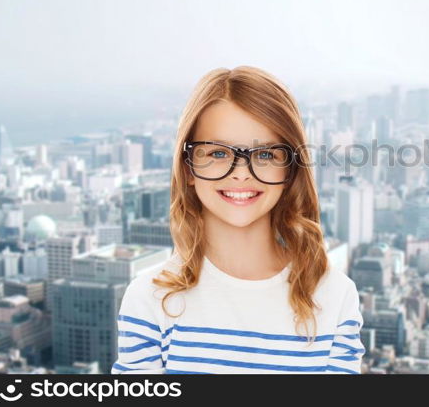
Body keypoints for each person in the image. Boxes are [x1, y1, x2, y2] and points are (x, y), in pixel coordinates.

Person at [111, 66, 365, 374]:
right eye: (217, 154)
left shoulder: (334, 296)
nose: (240, 172)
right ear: (188, 168)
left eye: (266, 155)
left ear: (290, 170)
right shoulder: (151, 298)